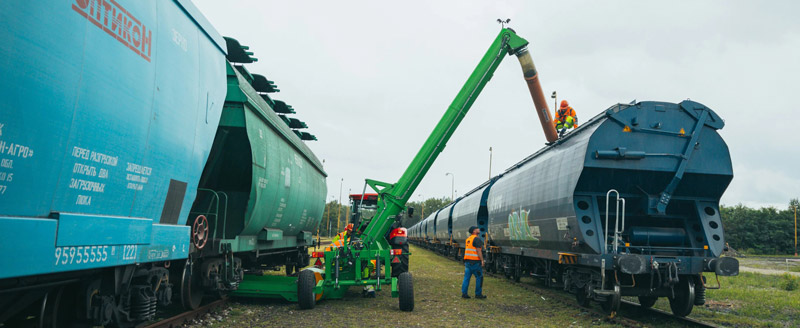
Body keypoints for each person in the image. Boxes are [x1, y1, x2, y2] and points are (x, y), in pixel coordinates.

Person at [461, 226, 486, 299]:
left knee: (466, 278)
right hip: (475, 262)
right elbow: (478, 251)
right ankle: (478, 294)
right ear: (474, 231)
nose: (479, 229)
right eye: (477, 229)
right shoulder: (477, 239)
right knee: (479, 277)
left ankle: (464, 293)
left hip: (468, 262)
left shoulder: (468, 239)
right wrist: (482, 260)